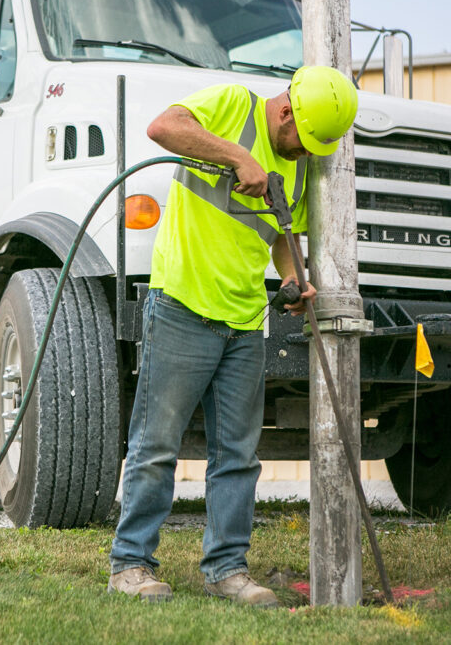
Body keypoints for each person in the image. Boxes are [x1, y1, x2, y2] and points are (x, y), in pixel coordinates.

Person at [107, 66, 359, 605]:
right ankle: (130, 565)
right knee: (155, 447)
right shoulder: (231, 105)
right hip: (181, 307)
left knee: (238, 456)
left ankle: (227, 570)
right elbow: (162, 128)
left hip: (245, 322)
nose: (305, 154)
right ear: (286, 111)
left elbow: (281, 238)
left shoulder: (297, 166)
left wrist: (295, 278)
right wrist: (237, 157)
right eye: (303, 141)